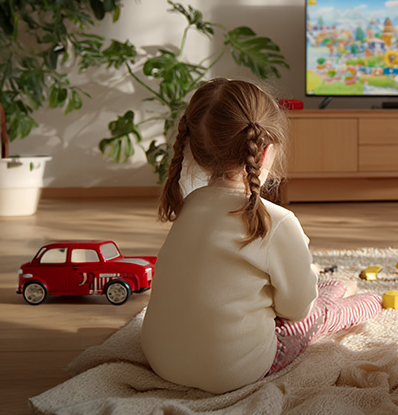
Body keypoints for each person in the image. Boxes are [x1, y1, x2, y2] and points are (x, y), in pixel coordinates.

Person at [141, 78, 382, 394]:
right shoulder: (277, 221)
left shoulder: (189, 205)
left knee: (308, 290)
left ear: (195, 150)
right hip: (231, 371)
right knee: (320, 313)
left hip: (162, 361)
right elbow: (296, 310)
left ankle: (338, 286)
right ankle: (369, 300)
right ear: (266, 150)